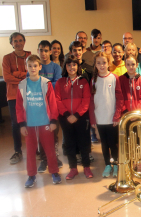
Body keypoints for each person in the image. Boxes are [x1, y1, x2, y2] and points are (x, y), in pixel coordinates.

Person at [16, 54, 61, 187]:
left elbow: (52, 103)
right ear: (26, 67)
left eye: (35, 65)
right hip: (29, 124)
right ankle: (31, 175)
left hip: (45, 123)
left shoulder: (46, 83)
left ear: (40, 67)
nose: (33, 68)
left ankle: (54, 172)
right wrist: (22, 124)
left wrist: (53, 121)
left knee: (50, 149)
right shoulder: (22, 85)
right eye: (29, 66)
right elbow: (18, 107)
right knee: (30, 151)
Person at [55, 55, 93, 180]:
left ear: (78, 66)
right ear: (65, 67)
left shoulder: (83, 81)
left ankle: (86, 167)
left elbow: (86, 100)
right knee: (69, 143)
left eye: (74, 65)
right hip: (65, 119)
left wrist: (76, 115)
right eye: (69, 65)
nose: (71, 67)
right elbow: (57, 100)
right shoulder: (60, 82)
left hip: (81, 118)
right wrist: (67, 115)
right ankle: (73, 168)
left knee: (84, 143)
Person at [89, 52, 124, 178]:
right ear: (95, 65)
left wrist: (117, 115)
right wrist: (93, 119)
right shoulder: (94, 80)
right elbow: (91, 101)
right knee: (103, 143)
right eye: (98, 63)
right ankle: (107, 165)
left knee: (113, 143)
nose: (101, 65)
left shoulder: (114, 78)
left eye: (104, 62)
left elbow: (120, 98)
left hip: (112, 118)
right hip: (100, 118)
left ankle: (115, 164)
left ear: (108, 63)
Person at [2, 32, 31, 164]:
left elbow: (33, 74)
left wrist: (17, 74)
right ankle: (17, 151)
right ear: (11, 43)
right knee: (16, 124)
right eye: (15, 41)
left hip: (29, 93)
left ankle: (34, 149)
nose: (18, 43)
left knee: (31, 122)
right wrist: (23, 77)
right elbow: (7, 77)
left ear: (24, 42)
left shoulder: (30, 56)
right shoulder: (7, 58)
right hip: (13, 95)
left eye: (20, 40)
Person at [35, 40, 63, 173]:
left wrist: (43, 84)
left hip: (53, 105)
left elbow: (57, 84)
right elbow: (32, 84)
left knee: (54, 133)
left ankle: (55, 157)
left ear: (50, 52)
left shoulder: (56, 68)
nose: (43, 53)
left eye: (46, 50)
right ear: (38, 51)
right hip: (39, 106)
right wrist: (48, 84)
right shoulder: (35, 66)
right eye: (41, 50)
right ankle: (44, 159)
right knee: (41, 133)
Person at [119, 54, 141, 171]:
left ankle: (139, 161)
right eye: (128, 64)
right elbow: (120, 97)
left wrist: (136, 113)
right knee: (128, 139)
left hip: (138, 116)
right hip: (125, 116)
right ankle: (130, 161)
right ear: (125, 65)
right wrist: (126, 113)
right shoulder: (120, 79)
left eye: (133, 64)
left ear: (137, 65)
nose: (131, 67)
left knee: (139, 140)